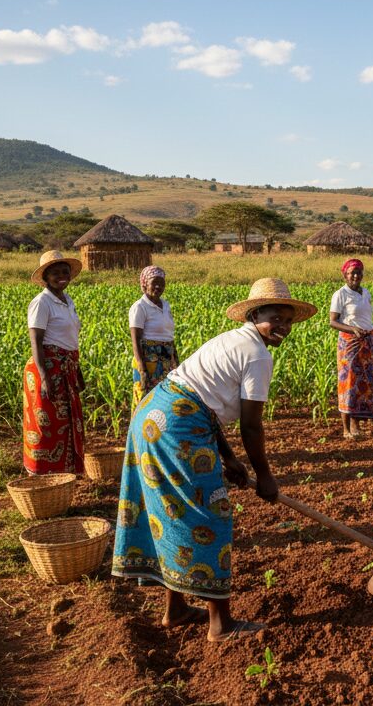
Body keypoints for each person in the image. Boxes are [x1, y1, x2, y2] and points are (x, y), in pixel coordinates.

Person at [112, 277, 315, 641]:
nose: (282, 326)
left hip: (155, 416)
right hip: (177, 426)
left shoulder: (233, 339)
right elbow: (251, 427)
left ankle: (175, 610)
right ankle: (221, 625)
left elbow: (202, 401)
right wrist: (264, 476)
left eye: (288, 320)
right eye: (275, 317)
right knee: (210, 514)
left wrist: (231, 459)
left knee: (175, 510)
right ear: (255, 314)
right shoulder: (257, 354)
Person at [22, 250, 85, 475]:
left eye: (65, 272)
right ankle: (43, 475)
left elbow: (71, 339)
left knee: (65, 421)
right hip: (48, 367)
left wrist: (78, 373)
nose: (61, 276)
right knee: (47, 424)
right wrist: (44, 377)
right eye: (56, 272)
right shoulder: (41, 302)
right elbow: (36, 342)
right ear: (46, 277)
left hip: (66, 366)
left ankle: (65, 474)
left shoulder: (67, 301)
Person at [328, 258, 373, 439]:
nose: (355, 276)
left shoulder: (366, 293)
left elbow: (368, 319)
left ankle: (356, 424)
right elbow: (333, 322)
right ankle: (346, 428)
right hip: (350, 344)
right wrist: (353, 329)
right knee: (348, 384)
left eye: (358, 272)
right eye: (351, 273)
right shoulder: (340, 294)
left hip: (367, 342)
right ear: (345, 275)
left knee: (364, 385)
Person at [129, 265, 178, 406]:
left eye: (161, 283)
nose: (158, 287)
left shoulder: (166, 305)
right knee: (146, 400)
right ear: (145, 284)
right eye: (154, 283)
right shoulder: (140, 307)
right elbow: (135, 340)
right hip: (149, 360)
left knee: (166, 401)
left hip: (167, 359)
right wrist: (142, 369)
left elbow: (169, 335)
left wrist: (176, 361)